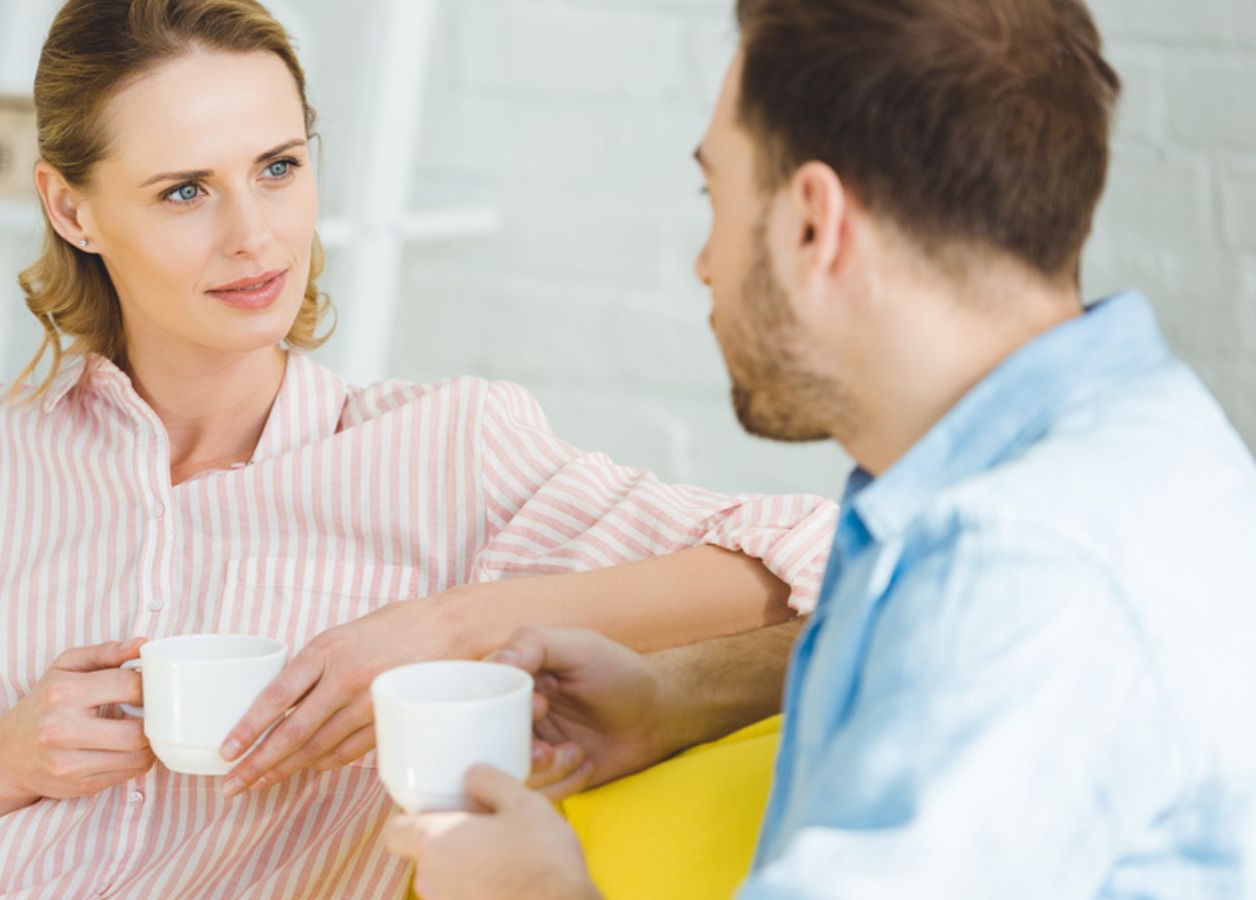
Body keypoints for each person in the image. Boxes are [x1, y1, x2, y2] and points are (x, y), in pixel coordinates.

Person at [0, 1, 836, 897]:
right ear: (72, 208)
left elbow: (834, 558)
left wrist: (449, 624)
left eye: (278, 167)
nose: (254, 236)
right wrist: (1, 764)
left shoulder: (442, 454)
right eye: (184, 191)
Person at [383, 0, 1256, 897]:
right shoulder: (1143, 440)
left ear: (813, 223)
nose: (704, 264)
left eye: (714, 196)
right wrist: (672, 698)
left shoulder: (1017, 573)